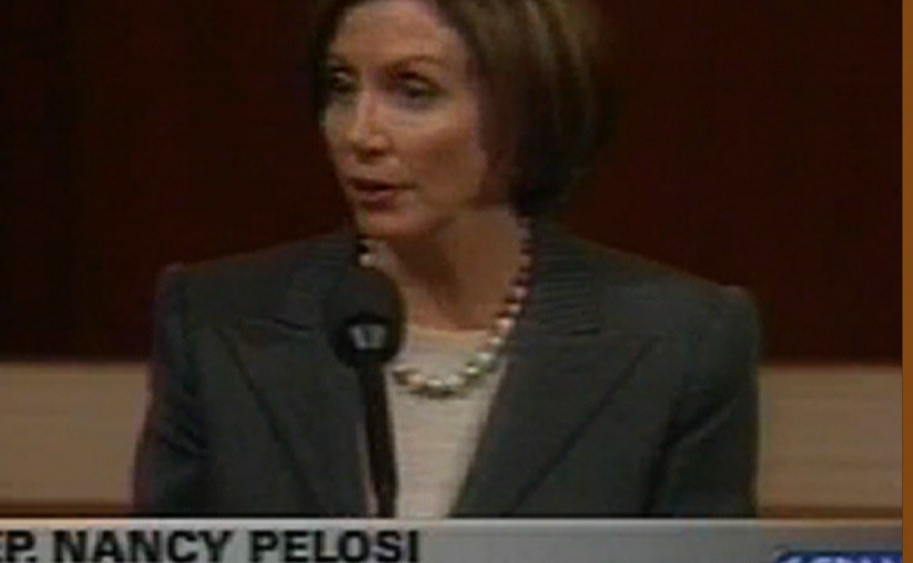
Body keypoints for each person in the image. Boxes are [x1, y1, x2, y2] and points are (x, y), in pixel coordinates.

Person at [133, 0, 760, 517]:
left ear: (527, 111)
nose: (359, 134)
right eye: (342, 87)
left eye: (413, 91)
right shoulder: (218, 323)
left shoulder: (680, 344)